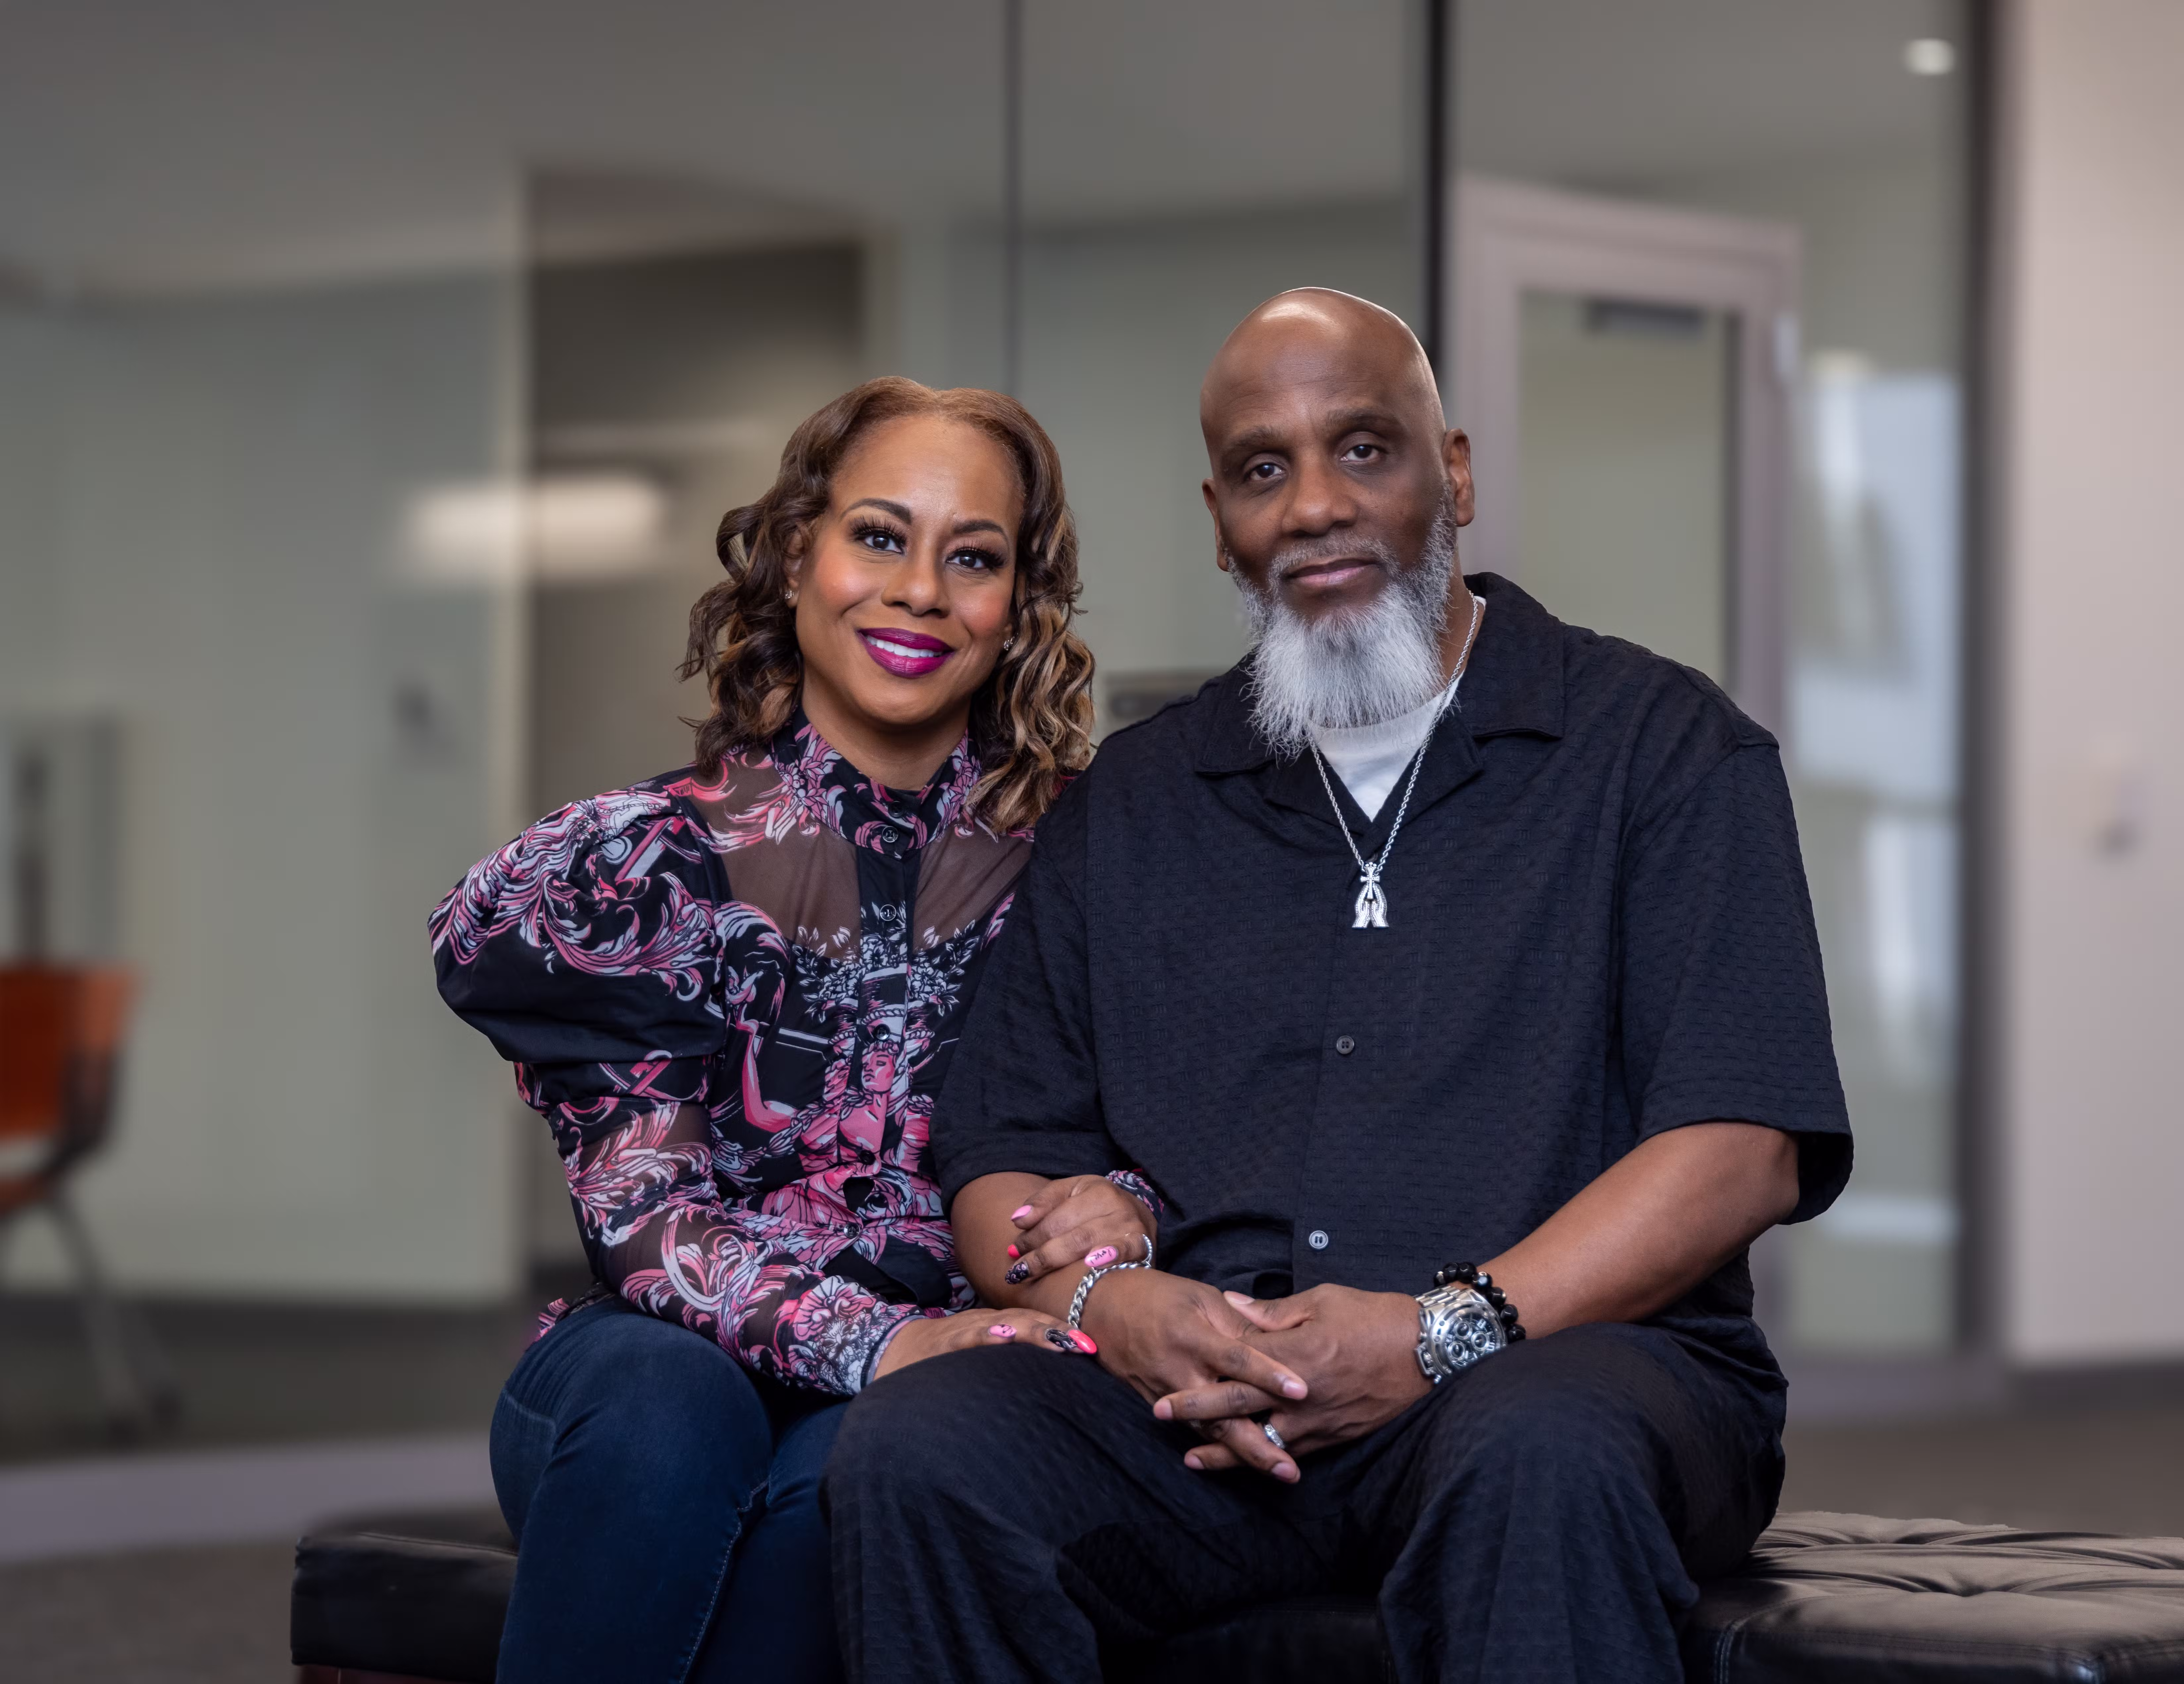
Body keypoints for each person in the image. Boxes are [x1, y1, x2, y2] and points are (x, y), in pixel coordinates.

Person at [824, 293, 1853, 1684]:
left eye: (1364, 449)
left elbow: (1743, 1146)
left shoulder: (1663, 750)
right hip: (1210, 1401)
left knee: (1539, 1449)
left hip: (1562, 1368)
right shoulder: (1135, 801)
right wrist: (1109, 1306)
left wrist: (1439, 1333)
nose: (1314, 506)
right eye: (1264, 469)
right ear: (1220, 521)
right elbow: (1004, 1153)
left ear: (1456, 473)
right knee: (929, 1447)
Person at [430, 378, 1157, 1684]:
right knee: (667, 1412)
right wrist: (883, 1342)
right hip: (658, 1360)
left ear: (1020, 605)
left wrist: (1126, 1200)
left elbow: (1187, 1126)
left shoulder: (1092, 859)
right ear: (793, 555)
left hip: (944, 1375)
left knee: (879, 1473)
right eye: (879, 536)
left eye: (973, 557)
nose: (920, 591)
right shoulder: (644, 862)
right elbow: (646, 1227)